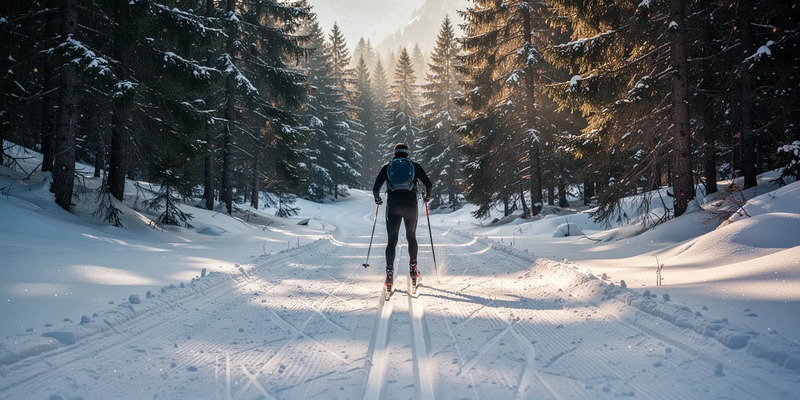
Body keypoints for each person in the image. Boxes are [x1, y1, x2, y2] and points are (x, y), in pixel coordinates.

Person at [372, 142, 433, 290]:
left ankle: (389, 274)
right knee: (411, 236)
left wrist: (378, 199)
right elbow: (429, 184)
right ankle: (413, 269)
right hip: (410, 206)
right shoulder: (415, 166)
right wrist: (426, 196)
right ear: (407, 153)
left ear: (394, 153)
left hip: (393, 206)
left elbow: (375, 188)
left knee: (392, 239)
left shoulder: (387, 167)